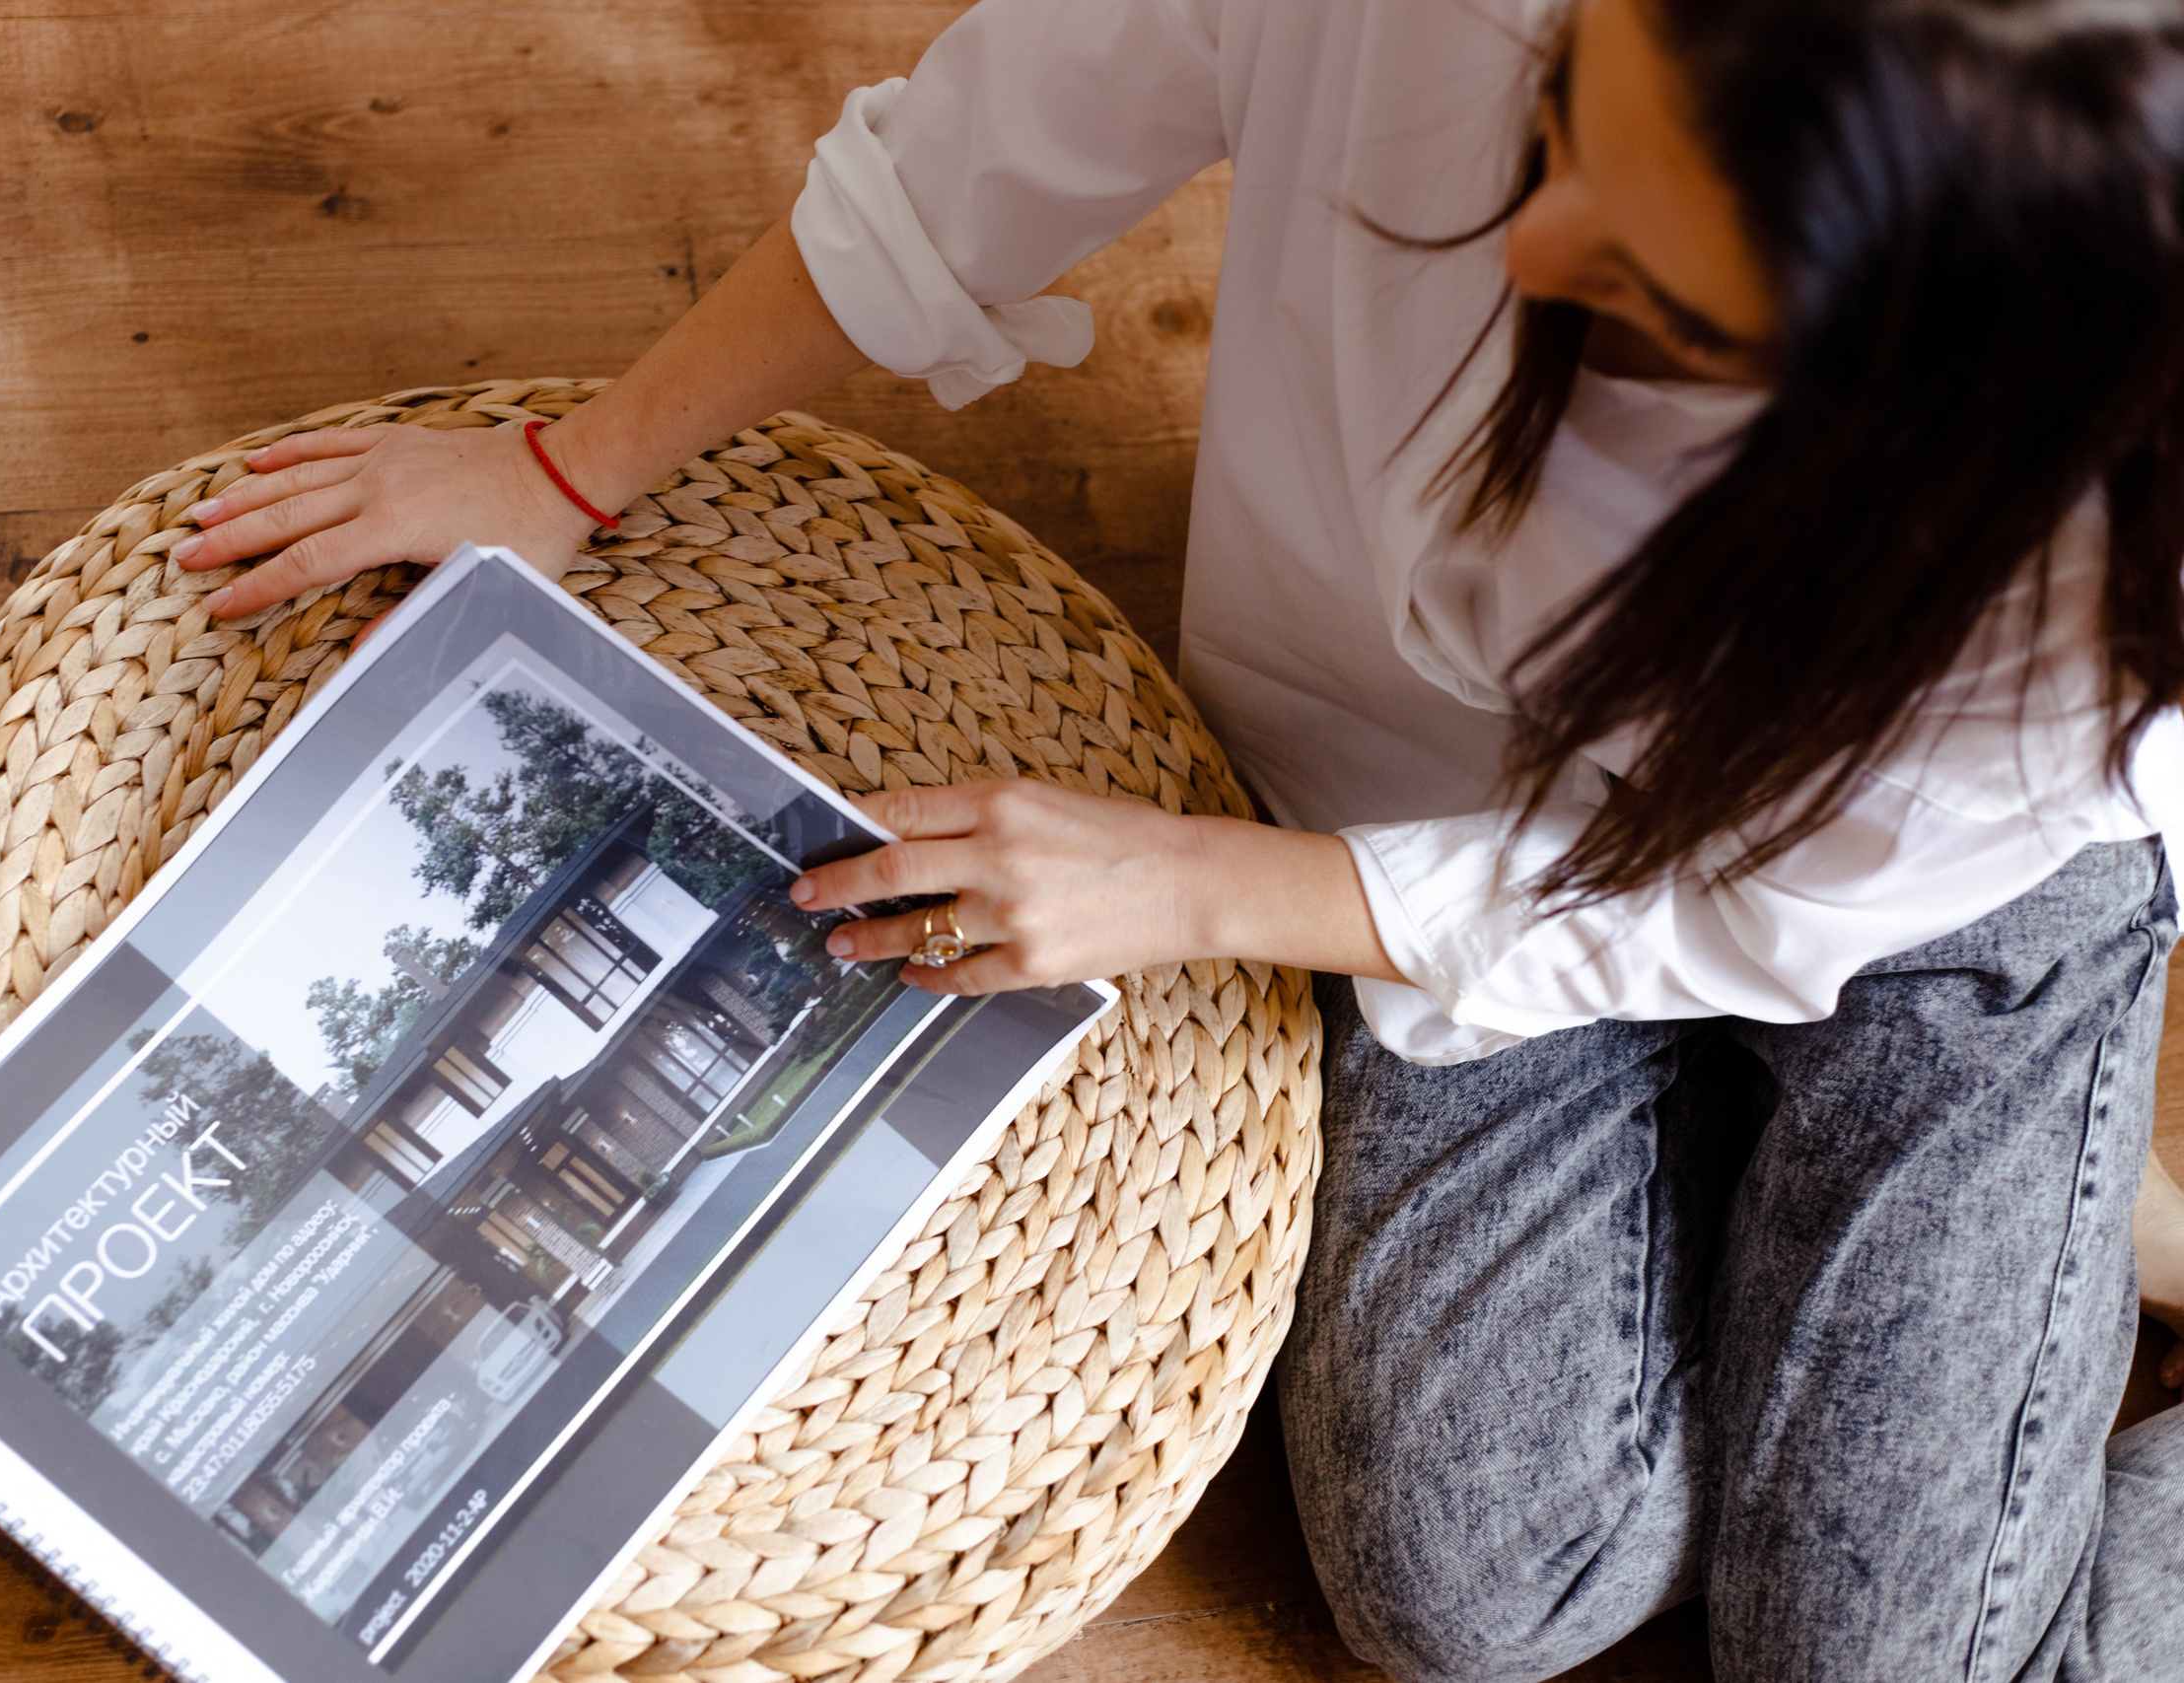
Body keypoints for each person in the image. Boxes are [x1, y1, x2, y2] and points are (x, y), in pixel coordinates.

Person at [171, 0, 2184, 1674]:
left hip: (1900, 901)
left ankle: (2017, 1104)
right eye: (1566, 95)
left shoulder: (2078, 560)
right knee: (1481, 1587)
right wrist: (567, 463)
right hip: (1432, 807)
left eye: (1663, 302)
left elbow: (1748, 903)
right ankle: (2030, 1239)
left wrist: (1197, 879)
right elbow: (984, 151)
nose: (1526, 246)